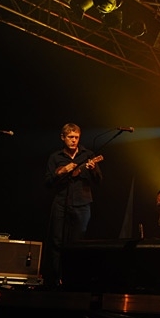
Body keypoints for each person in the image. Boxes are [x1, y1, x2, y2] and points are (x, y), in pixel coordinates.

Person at [44, 123, 102, 288]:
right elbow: (47, 183)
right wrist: (61, 172)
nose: (74, 140)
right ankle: (55, 280)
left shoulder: (88, 155)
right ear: (63, 138)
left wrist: (92, 169)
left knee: (78, 243)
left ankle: (74, 280)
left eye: (76, 137)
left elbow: (99, 181)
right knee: (56, 241)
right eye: (70, 137)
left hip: (82, 203)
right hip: (61, 202)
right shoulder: (55, 157)